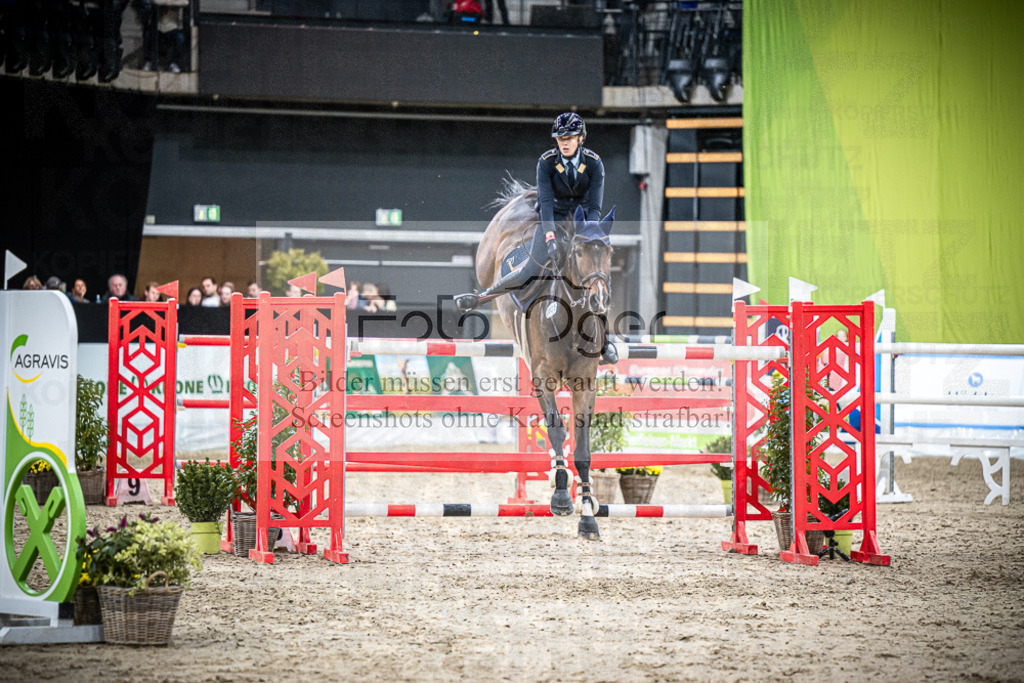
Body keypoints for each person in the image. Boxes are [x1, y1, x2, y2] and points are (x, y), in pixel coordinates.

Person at [455, 112, 616, 363]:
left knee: (596, 273)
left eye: (570, 137)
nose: (564, 142)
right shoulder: (547, 162)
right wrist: (550, 238)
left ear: (581, 138)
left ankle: (604, 340)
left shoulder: (595, 163)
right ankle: (482, 297)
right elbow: (545, 204)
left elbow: (595, 206)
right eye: (561, 137)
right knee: (531, 267)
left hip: (583, 223)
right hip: (551, 220)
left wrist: (588, 231)